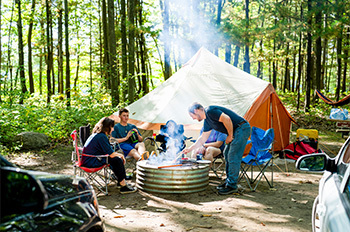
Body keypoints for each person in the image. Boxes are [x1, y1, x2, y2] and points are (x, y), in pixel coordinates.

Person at [183, 103, 251, 195]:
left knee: (233, 155)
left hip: (241, 128)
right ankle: (229, 182)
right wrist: (190, 149)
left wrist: (230, 136)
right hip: (236, 130)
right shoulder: (207, 121)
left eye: (192, 116)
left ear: (196, 111)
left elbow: (227, 119)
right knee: (227, 154)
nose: (193, 118)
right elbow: (203, 138)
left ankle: (232, 186)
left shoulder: (210, 111)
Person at [82, 117, 137, 194]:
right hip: (91, 162)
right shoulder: (101, 136)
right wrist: (121, 156)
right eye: (112, 127)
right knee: (117, 159)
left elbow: (107, 151)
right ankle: (123, 185)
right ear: (107, 127)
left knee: (115, 159)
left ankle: (121, 181)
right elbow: (111, 154)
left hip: (89, 160)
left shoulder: (97, 135)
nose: (113, 129)